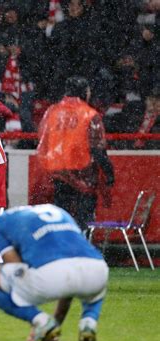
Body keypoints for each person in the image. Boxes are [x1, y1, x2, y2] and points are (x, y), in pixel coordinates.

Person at [0, 204, 109, 341]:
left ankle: (41, 321)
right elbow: (68, 278)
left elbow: (14, 264)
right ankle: (88, 322)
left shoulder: (0, 223)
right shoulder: (58, 211)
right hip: (96, 269)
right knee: (88, 288)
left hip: (50, 275)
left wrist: (36, 318)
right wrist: (56, 323)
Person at [37, 76, 115, 231]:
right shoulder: (90, 114)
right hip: (83, 173)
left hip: (57, 174)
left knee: (60, 219)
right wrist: (109, 173)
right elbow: (98, 149)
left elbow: (43, 142)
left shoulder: (52, 111)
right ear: (85, 92)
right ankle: (80, 250)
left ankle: (62, 249)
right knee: (83, 221)